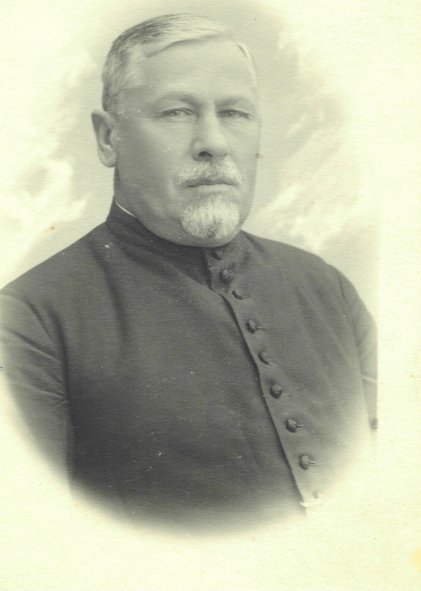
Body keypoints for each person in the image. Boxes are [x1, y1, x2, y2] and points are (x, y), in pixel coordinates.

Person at [0, 14, 376, 528]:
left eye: (235, 113)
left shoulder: (326, 286)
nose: (214, 143)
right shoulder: (30, 319)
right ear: (108, 138)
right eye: (177, 112)